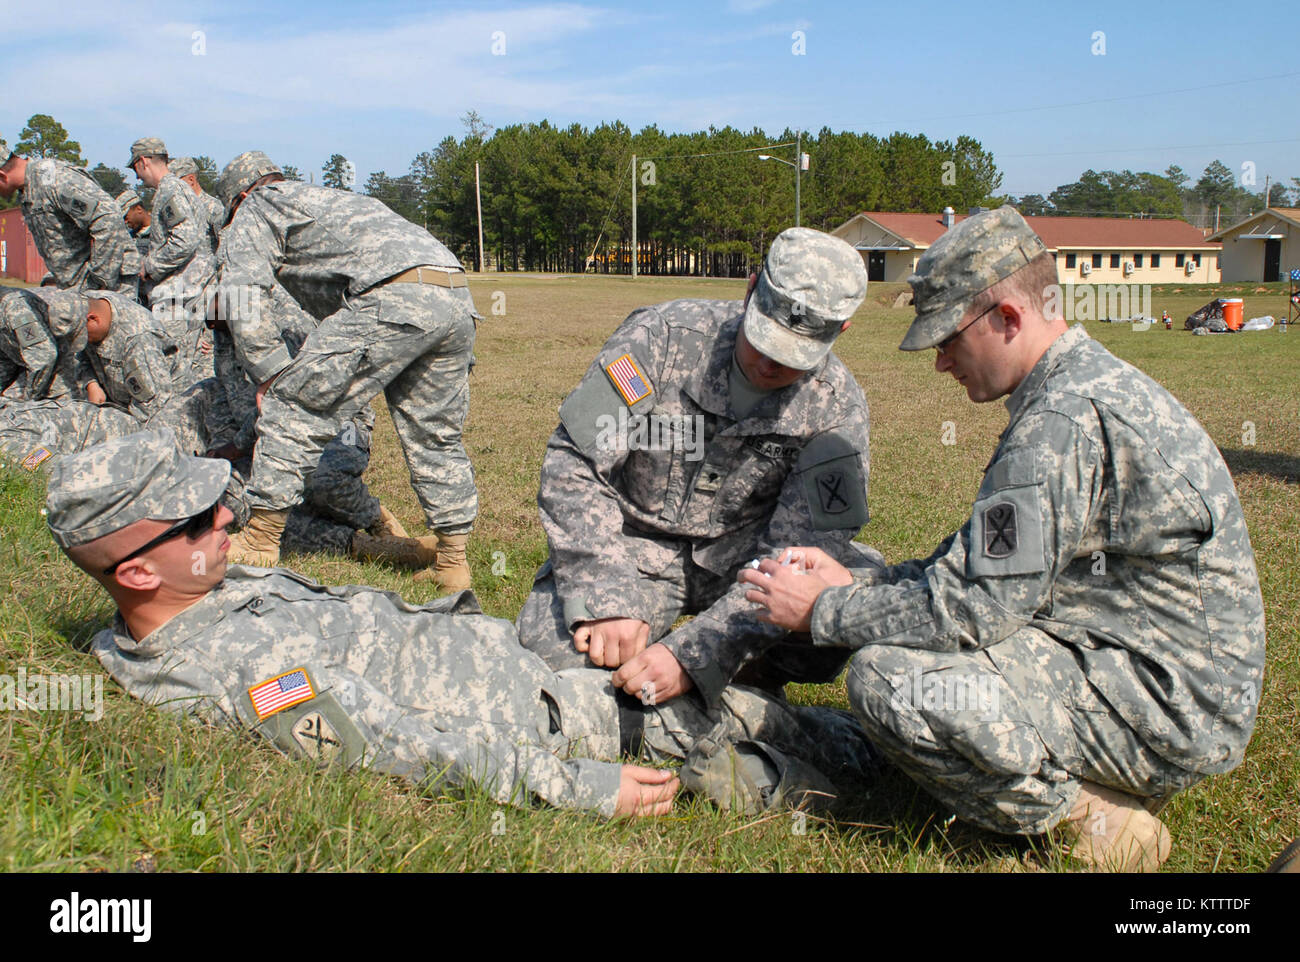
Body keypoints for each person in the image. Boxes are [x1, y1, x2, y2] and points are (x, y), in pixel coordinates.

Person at [739, 206, 1267, 871]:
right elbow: (981, 563)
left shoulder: (1061, 425)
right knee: (895, 628)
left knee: (893, 681)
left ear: (1009, 319)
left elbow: (971, 609)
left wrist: (822, 610)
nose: (940, 365)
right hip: (1137, 665)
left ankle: (1090, 820)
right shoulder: (1075, 391)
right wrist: (862, 585)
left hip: (1164, 702)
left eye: (948, 341)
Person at [44, 431, 879, 818]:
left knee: (821, 731)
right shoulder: (242, 676)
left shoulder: (174, 607)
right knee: (840, 760)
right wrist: (580, 788)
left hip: (536, 670)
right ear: (137, 571)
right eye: (198, 523)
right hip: (564, 718)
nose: (227, 520)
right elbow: (389, 741)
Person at [517, 227, 877, 711]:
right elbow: (575, 463)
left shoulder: (836, 409)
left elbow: (797, 555)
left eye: (794, 355)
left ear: (842, 332)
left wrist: (699, 653)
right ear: (750, 289)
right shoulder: (662, 339)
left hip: (744, 563)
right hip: (634, 549)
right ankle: (691, 686)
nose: (771, 362)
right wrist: (607, 598)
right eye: (765, 337)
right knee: (550, 655)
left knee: (847, 591)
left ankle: (745, 677)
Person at [214, 150, 479, 589]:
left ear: (239, 197)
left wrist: (268, 370)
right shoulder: (333, 199)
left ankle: (260, 539)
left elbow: (242, 291)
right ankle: (452, 564)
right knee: (435, 435)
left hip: (393, 298)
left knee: (292, 403)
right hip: (454, 296)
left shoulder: (258, 207)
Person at [0, 147, 137, 296]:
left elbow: (107, 218)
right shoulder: (28, 191)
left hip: (107, 290)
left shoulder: (53, 179)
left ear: (2, 176)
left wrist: (100, 282)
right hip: (77, 290)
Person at [77, 291, 181, 425]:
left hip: (159, 419)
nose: (81, 340)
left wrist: (113, 426)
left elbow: (150, 410)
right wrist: (91, 384)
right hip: (121, 406)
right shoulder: (88, 304)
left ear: (93, 319)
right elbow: (81, 356)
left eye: (81, 334)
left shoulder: (139, 340)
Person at [0, 288, 87, 400]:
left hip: (59, 379)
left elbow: (43, 357)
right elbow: (5, 357)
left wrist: (28, 398)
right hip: (30, 373)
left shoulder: (16, 307)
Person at [168, 156, 224, 253]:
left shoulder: (213, 207)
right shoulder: (176, 210)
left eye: (175, 183)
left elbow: (225, 247)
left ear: (191, 180)